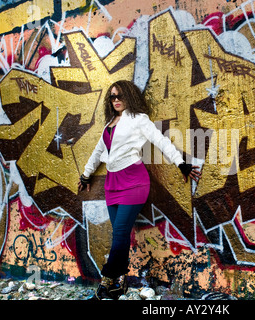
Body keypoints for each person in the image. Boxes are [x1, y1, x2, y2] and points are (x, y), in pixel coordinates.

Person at [78, 80, 201, 300]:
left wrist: (181, 163)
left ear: (129, 97)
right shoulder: (109, 124)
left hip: (134, 182)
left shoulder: (138, 120)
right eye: (112, 97)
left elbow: (161, 141)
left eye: (120, 96)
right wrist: (86, 175)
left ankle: (107, 281)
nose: (116, 100)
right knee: (120, 235)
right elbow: (98, 151)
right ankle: (120, 283)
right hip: (112, 184)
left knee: (121, 233)